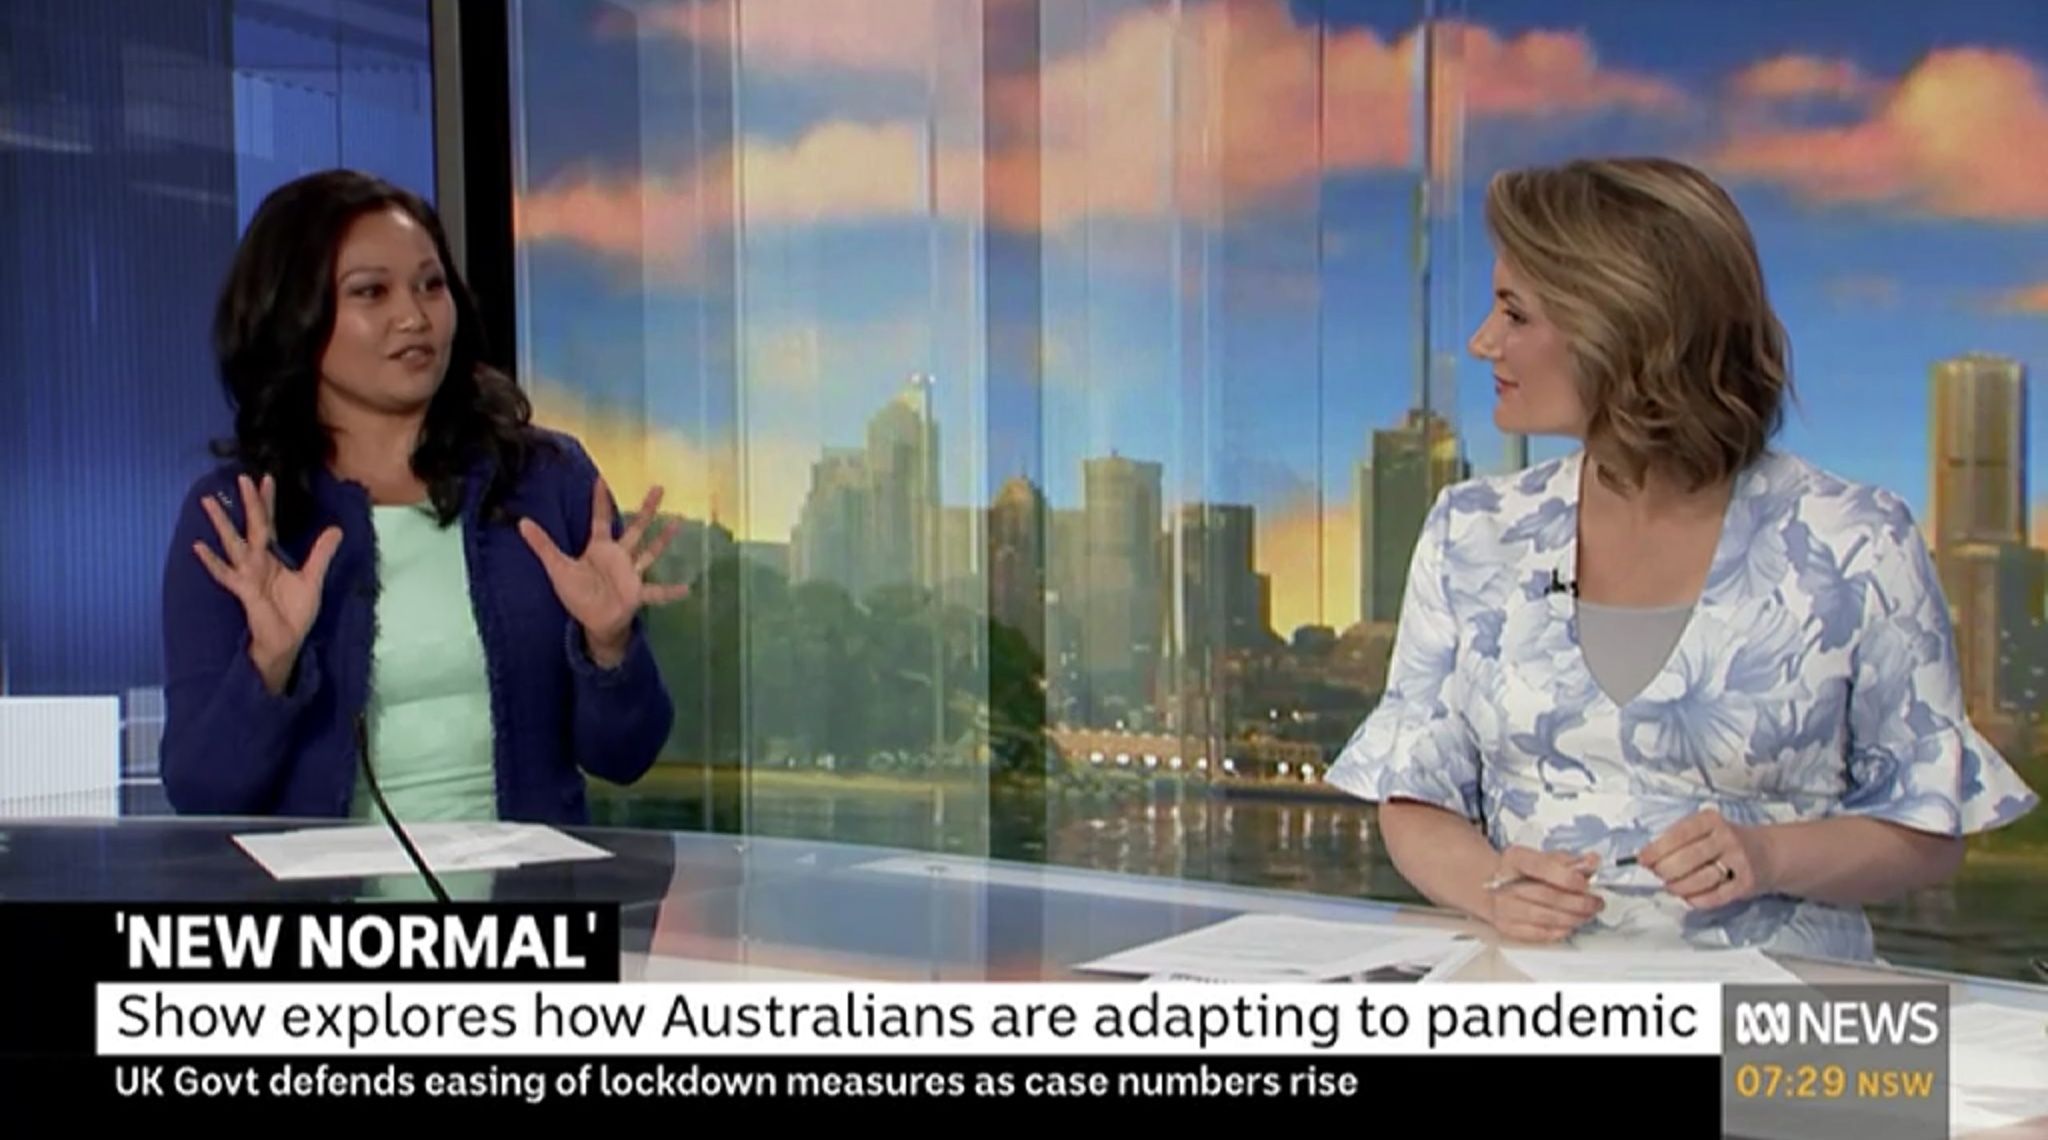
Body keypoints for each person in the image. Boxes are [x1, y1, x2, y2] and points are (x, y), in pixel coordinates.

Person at [1325, 156, 2038, 961]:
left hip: (1778, 1013)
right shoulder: (1472, 532)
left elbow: (1927, 826)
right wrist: (1491, 886)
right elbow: (1413, 796)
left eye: (1515, 314)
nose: (1483, 342)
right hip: (1533, 1000)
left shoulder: (1856, 541)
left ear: (1627, 325)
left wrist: (1770, 856)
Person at [159, 169, 685, 826]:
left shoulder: (547, 480)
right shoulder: (239, 516)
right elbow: (201, 792)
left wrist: (609, 645)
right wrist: (268, 664)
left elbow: (626, 755)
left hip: (528, 891)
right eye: (371, 292)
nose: (414, 317)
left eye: (431, 286)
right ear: (295, 314)